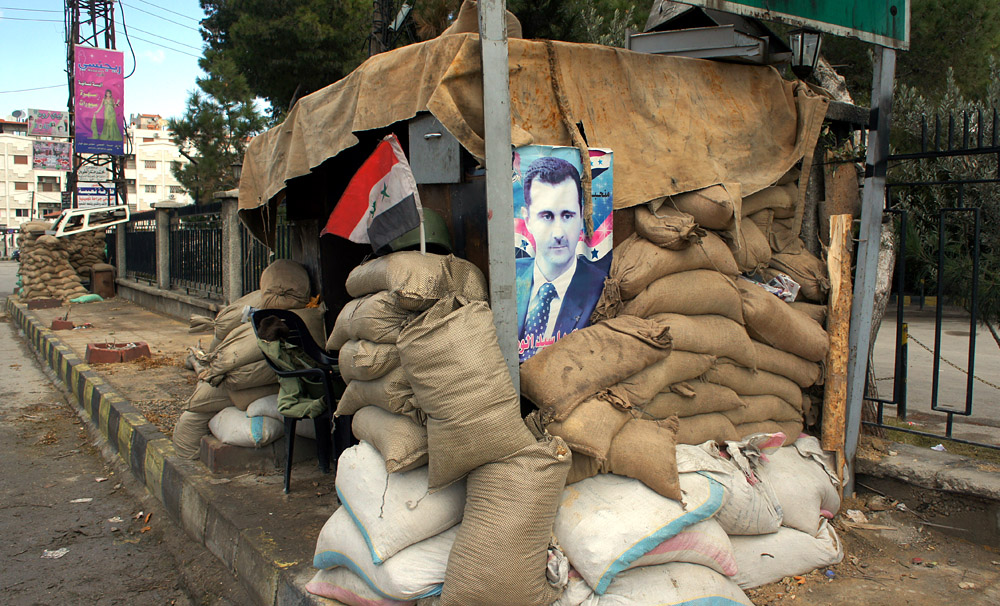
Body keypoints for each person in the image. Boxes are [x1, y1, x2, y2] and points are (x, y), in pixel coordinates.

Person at [516, 156, 606, 362]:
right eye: (547, 216)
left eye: (567, 216)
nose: (558, 233)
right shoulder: (508, 277)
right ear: (527, 220)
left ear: (581, 216)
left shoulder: (601, 289)